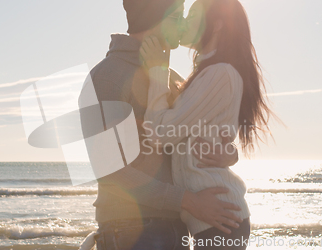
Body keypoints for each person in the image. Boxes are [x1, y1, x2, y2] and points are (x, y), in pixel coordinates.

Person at [78, 0, 245, 249]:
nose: (183, 25)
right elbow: (109, 169)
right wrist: (188, 200)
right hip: (130, 228)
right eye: (177, 16)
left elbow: (194, 136)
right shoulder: (106, 76)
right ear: (154, 19)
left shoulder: (171, 76)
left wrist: (228, 154)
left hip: (178, 225)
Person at [140, 0, 275, 249]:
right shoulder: (207, 73)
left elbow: (160, 133)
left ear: (217, 25)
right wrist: (230, 154)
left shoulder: (219, 74)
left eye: (192, 15)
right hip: (216, 218)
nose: (185, 22)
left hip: (220, 219)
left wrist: (157, 71)